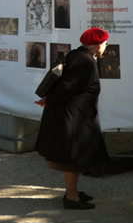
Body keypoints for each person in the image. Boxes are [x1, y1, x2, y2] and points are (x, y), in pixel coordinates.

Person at [34, 27, 111, 210]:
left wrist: (49, 99)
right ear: (98, 45)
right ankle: (71, 197)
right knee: (72, 158)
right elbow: (68, 87)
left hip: (73, 114)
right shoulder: (85, 61)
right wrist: (50, 100)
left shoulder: (76, 55)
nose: (106, 46)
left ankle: (72, 191)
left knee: (75, 156)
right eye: (105, 43)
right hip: (73, 117)